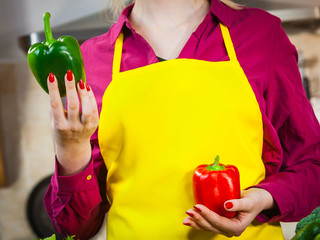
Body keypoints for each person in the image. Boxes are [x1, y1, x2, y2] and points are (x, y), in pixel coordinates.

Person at [43, 0, 320, 239]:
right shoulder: (91, 58)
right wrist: (71, 149)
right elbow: (75, 228)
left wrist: (263, 198)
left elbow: (312, 165)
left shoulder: (260, 34)